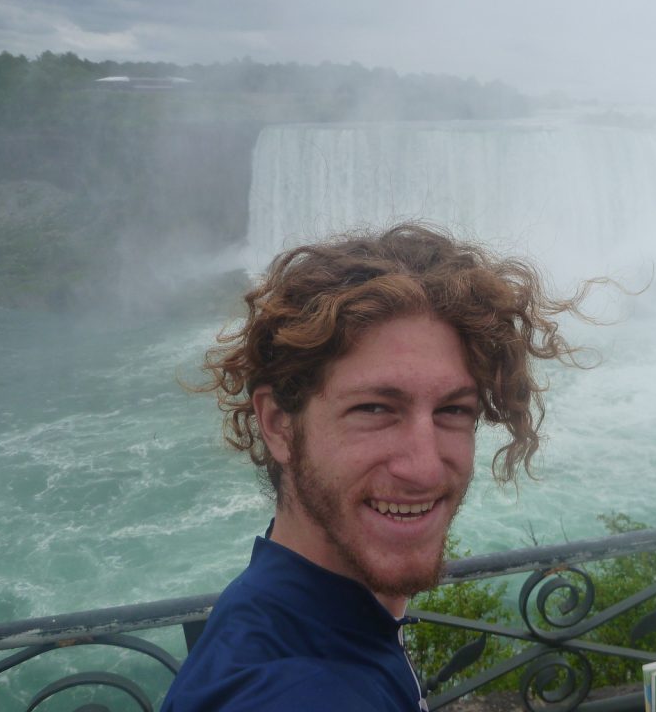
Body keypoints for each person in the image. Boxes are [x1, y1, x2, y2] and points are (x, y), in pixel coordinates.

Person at [160, 223, 592, 711]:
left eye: (453, 410)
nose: (425, 468)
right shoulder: (300, 694)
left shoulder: (270, 610)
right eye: (374, 409)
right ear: (279, 424)